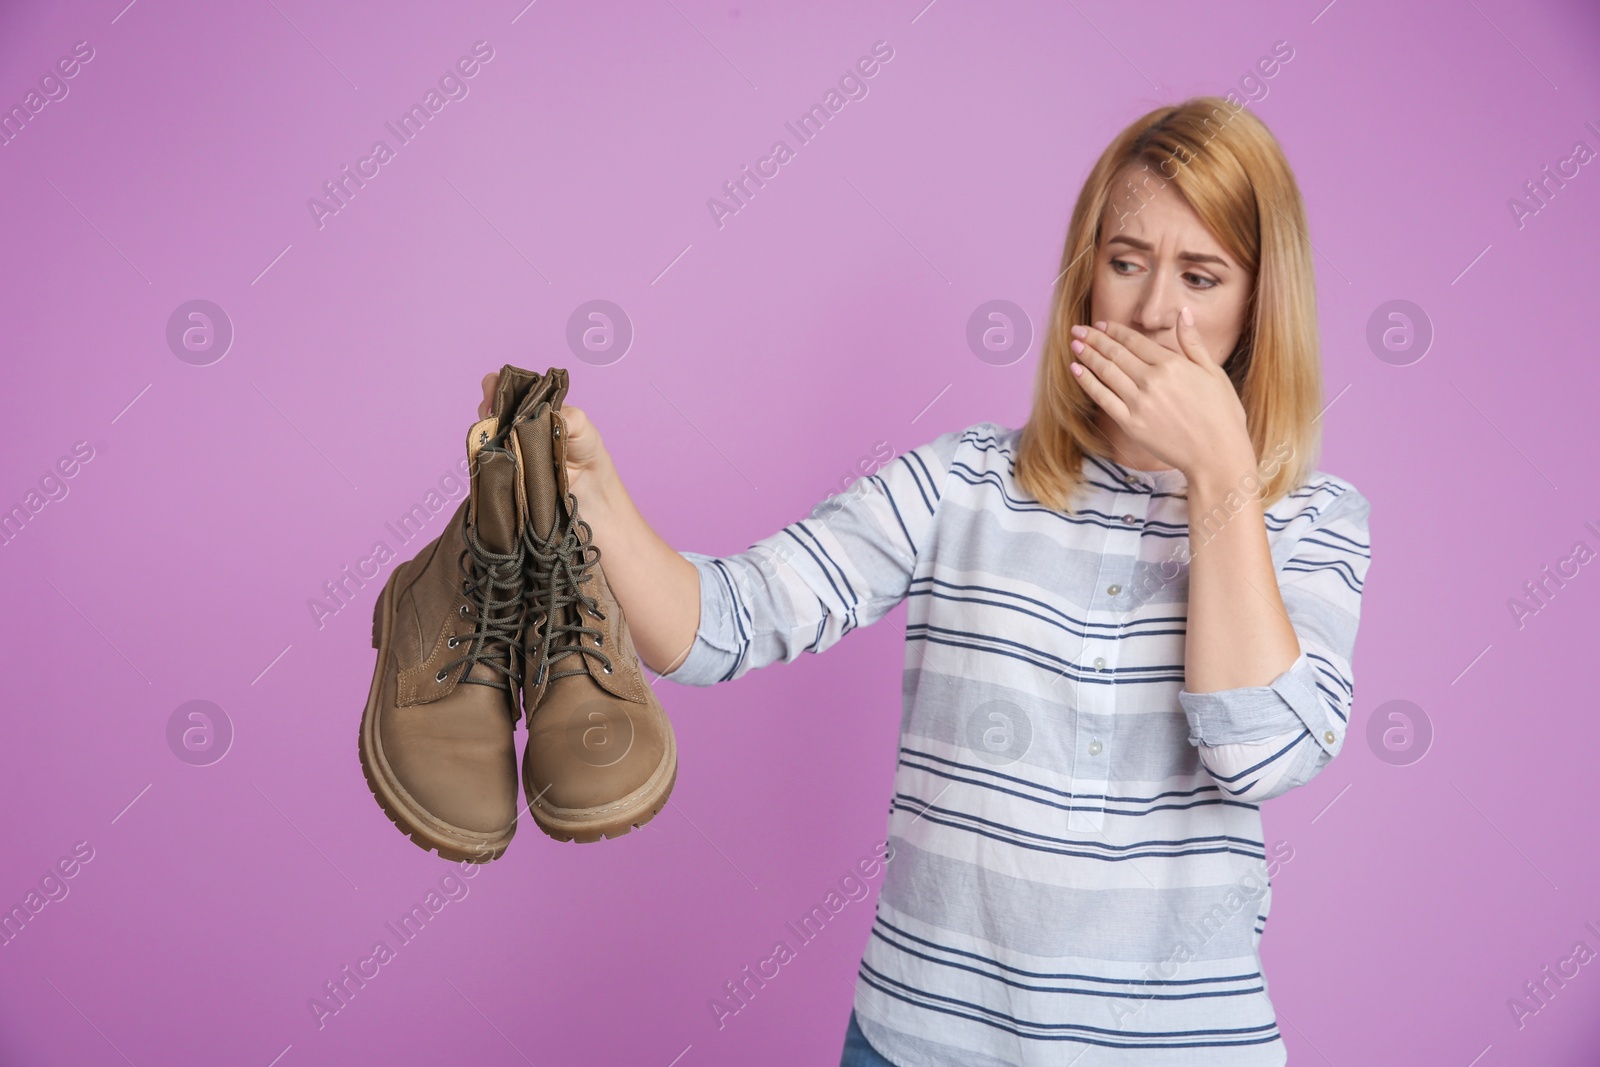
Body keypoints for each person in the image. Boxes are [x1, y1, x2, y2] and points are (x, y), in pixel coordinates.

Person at [479, 95, 1372, 1067]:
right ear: (1085, 277)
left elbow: (1262, 754)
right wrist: (594, 493)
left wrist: (1221, 477)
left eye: (1201, 276)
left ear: (1256, 303)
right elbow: (722, 625)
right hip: (915, 1041)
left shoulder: (1311, 518)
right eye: (1126, 262)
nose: (1155, 311)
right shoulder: (962, 482)